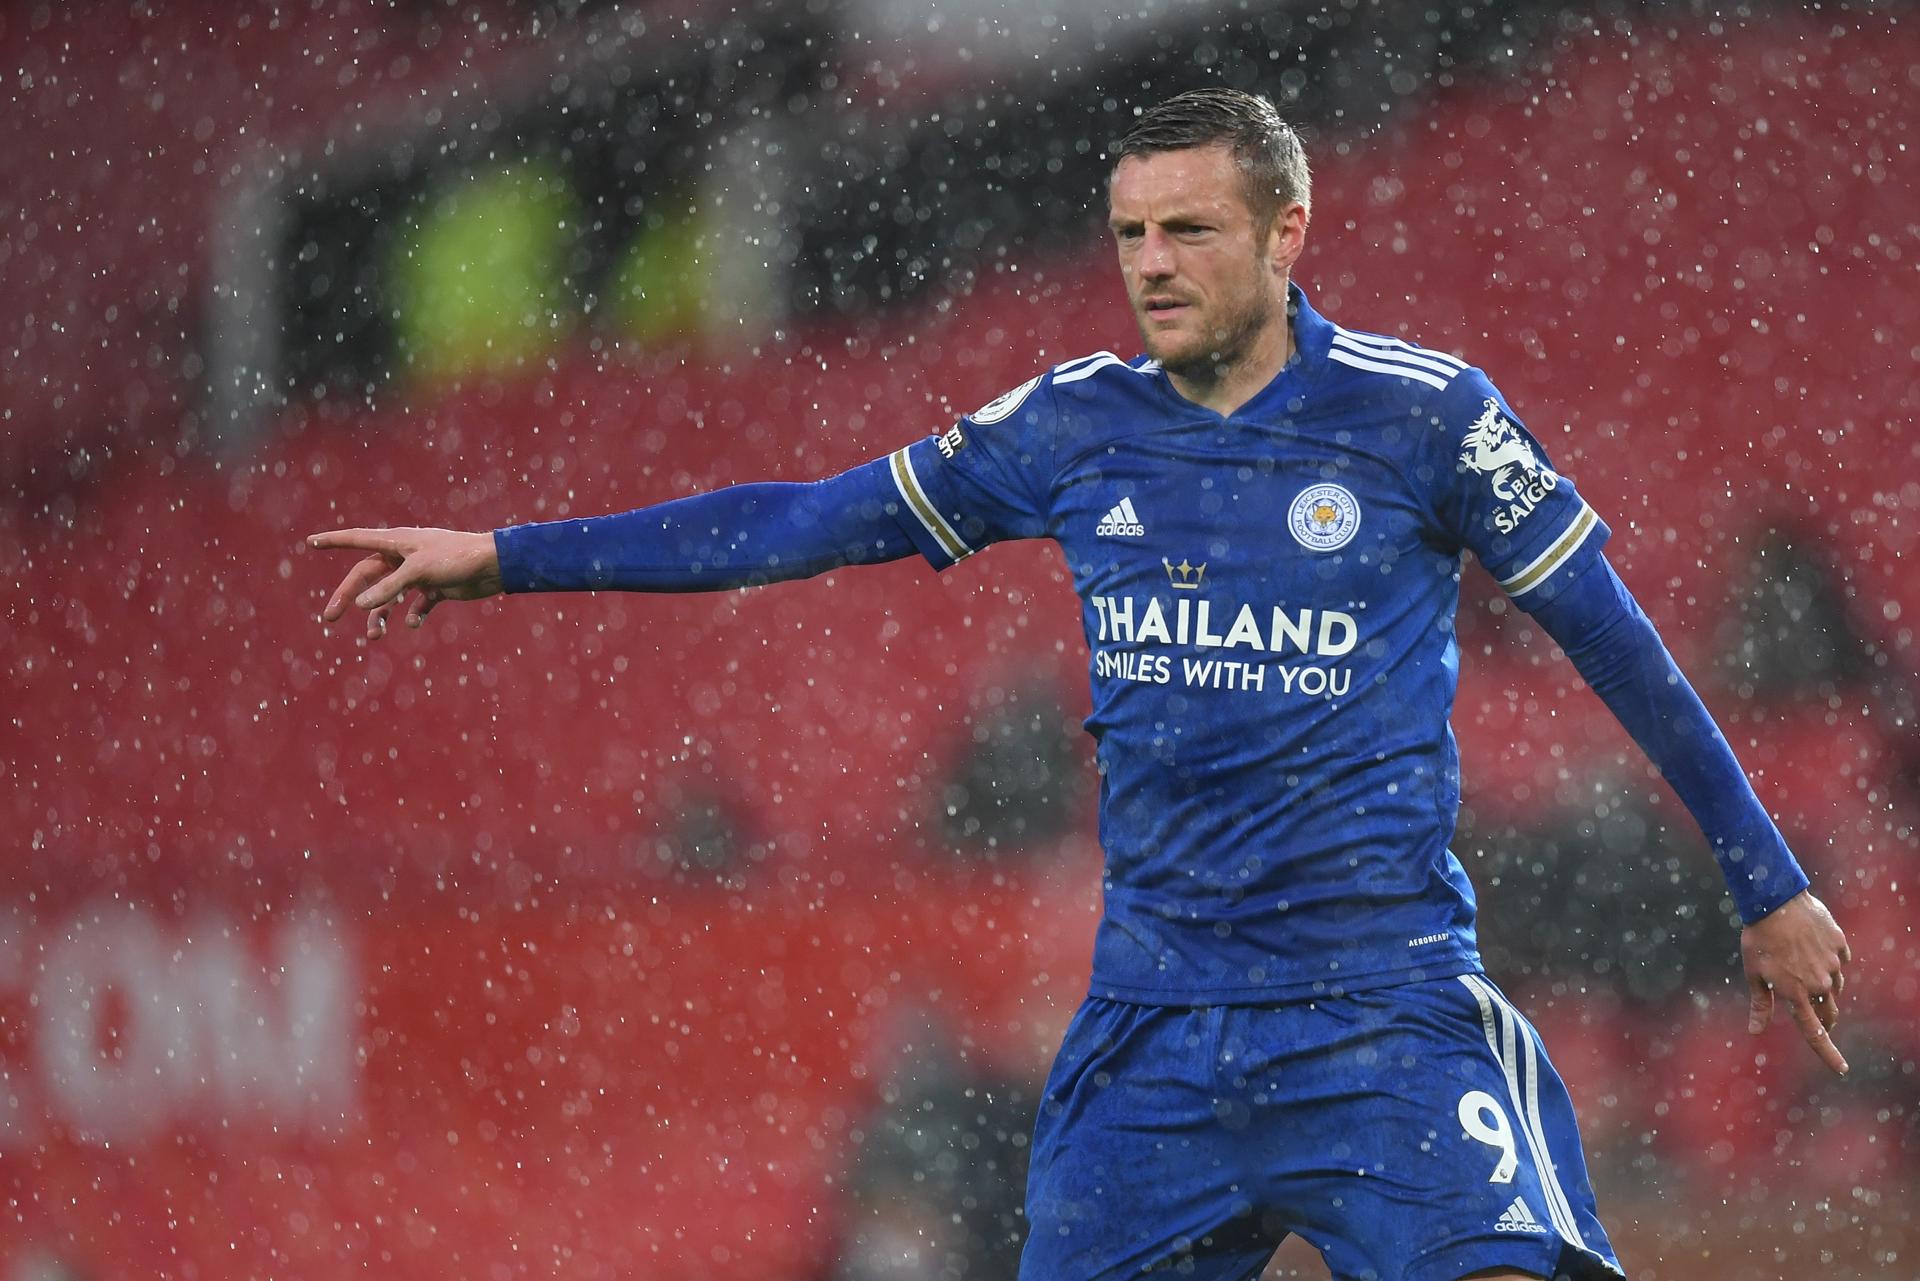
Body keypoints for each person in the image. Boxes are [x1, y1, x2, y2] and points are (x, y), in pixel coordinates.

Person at [311, 89, 1853, 1281]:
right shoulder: (1071, 425)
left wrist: (1765, 877)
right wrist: (507, 555)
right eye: (1130, 234)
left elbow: (1614, 638)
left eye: (1189, 230)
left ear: (1288, 232)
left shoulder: (1426, 417)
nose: (1152, 266)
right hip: (1155, 1040)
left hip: (1381, 1016)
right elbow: (800, 519)